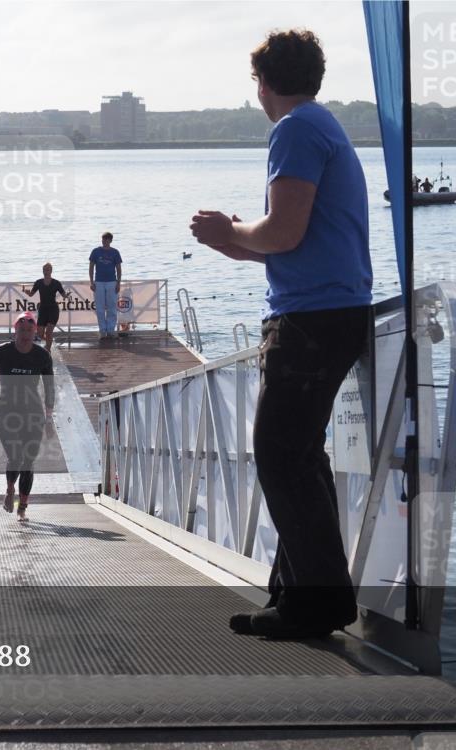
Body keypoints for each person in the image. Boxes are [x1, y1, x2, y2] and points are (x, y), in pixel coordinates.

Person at [189, 29, 373, 640]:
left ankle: (317, 604)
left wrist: (230, 229)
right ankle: (296, 596)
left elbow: (284, 234)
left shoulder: (294, 129)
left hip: (311, 321)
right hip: (329, 311)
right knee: (298, 456)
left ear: (263, 83)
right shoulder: (323, 126)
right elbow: (287, 240)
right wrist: (235, 237)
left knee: (280, 456)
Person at [0, 312, 54, 522]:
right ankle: (9, 489)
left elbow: (49, 388)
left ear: (35, 332)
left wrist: (49, 418)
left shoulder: (42, 356)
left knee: (28, 462)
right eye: (21, 330)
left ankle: (23, 506)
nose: (25, 335)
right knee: (15, 457)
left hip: (33, 414)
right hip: (7, 412)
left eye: (29, 331)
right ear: (15, 331)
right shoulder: (0, 352)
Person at [24, 263, 70, 349]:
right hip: (43, 309)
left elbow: (64, 295)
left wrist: (67, 295)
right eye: (44, 269)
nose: (46, 271)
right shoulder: (38, 282)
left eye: (48, 269)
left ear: (51, 271)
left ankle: (48, 350)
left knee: (49, 332)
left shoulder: (56, 283)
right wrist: (27, 292)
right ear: (42, 271)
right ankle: (50, 342)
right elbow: (31, 294)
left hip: (53, 309)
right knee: (40, 334)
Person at [88, 232, 122, 340]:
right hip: (99, 282)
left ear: (110, 241)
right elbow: (91, 267)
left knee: (112, 307)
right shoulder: (96, 251)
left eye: (107, 239)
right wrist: (91, 282)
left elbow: (118, 268)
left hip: (112, 281)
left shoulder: (115, 252)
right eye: (103, 239)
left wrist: (118, 283)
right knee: (100, 308)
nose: (105, 241)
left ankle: (110, 330)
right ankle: (102, 330)